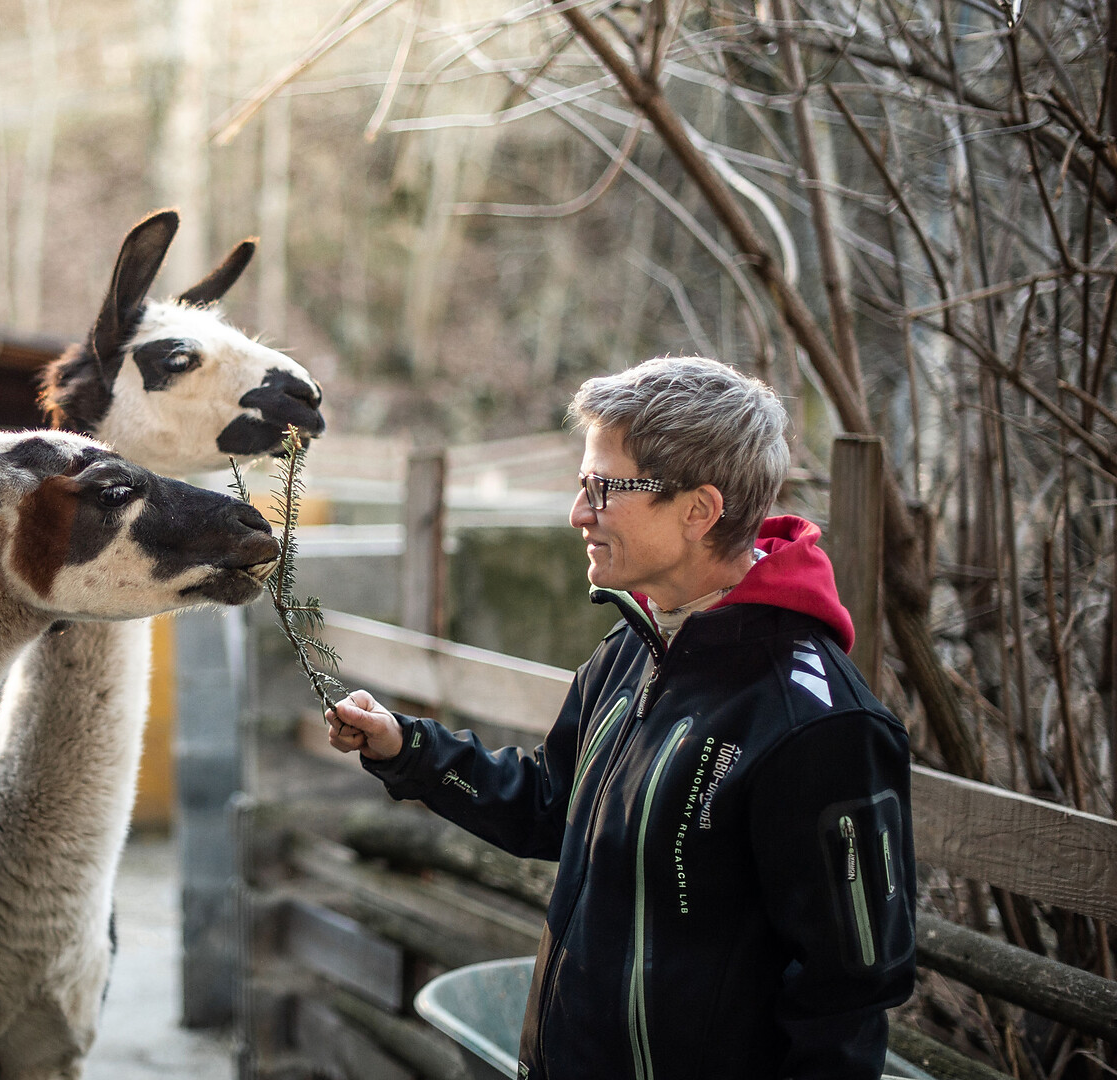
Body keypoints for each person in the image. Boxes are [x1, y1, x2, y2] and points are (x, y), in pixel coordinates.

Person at [328, 357, 915, 1080]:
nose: (579, 513)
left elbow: (846, 998)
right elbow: (551, 803)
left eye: (603, 489)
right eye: (583, 486)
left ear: (699, 511)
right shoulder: (634, 646)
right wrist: (407, 749)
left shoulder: (819, 726)